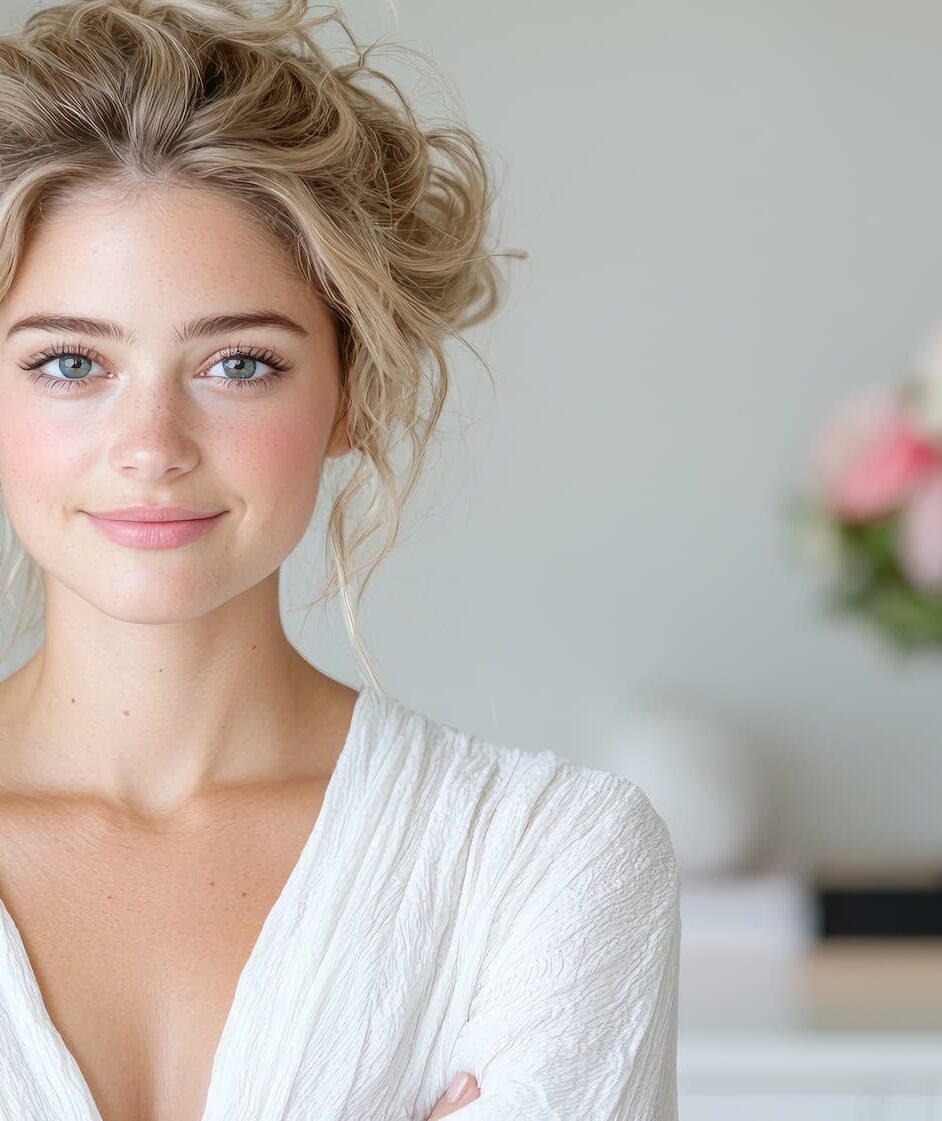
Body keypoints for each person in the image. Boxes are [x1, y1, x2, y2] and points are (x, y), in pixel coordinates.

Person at [0, 0, 681, 1119]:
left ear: (350, 393)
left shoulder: (540, 858)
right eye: (72, 361)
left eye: (239, 363)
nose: (151, 448)